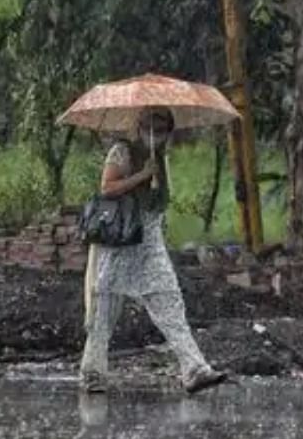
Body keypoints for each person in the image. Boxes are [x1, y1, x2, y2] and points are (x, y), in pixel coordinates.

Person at [80, 108, 227, 394]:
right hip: (121, 242)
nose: (155, 134)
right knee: (104, 310)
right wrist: (142, 175)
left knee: (169, 301)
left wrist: (156, 177)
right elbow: (107, 188)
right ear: (139, 126)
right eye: (150, 126)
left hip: (150, 241)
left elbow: (158, 202)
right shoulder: (122, 152)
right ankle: (92, 372)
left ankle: (194, 368)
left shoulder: (160, 158)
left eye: (161, 129)